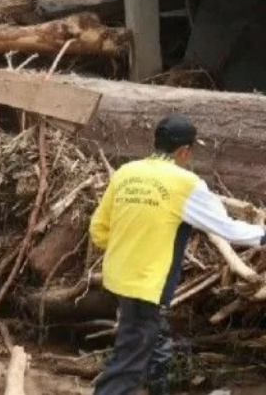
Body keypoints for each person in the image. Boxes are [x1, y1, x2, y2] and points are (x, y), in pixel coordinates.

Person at [89, 115, 266, 395]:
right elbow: (225, 227)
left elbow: (98, 230)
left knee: (151, 341)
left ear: (155, 143)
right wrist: (262, 235)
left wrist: (131, 247)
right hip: (148, 286)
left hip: (120, 278)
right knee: (127, 365)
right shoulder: (185, 183)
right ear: (185, 150)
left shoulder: (125, 172)